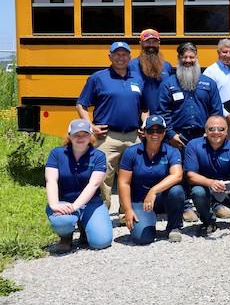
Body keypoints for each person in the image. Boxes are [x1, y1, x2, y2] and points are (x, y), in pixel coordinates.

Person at [76, 41, 143, 210]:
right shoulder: (98, 78)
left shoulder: (137, 78)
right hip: (107, 137)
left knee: (133, 176)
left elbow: (145, 107)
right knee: (102, 178)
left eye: (124, 54)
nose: (121, 58)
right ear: (110, 56)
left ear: (129, 57)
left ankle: (126, 213)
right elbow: (81, 104)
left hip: (133, 136)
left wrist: (145, 124)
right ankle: (101, 214)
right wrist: (90, 126)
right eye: (117, 54)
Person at [44, 119, 113, 253]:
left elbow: (94, 185)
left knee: (101, 242)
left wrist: (75, 207)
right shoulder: (56, 153)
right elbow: (51, 180)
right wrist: (54, 205)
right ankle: (66, 237)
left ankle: (84, 227)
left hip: (91, 203)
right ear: (69, 136)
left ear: (91, 136)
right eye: (76, 134)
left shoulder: (99, 156)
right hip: (64, 201)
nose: (80, 138)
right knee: (62, 222)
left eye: (85, 134)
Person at [118, 115, 186, 245]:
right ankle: (148, 222)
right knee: (142, 238)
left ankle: (174, 226)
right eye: (151, 130)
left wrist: (153, 191)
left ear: (164, 132)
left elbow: (177, 175)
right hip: (140, 201)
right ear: (144, 132)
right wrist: (127, 209)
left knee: (177, 190)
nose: (155, 134)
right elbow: (123, 183)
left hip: (162, 198)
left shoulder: (172, 151)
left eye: (159, 130)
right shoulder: (131, 152)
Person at [157, 42, 224, 150]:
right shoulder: (168, 84)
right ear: (179, 58)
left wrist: (211, 132)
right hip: (177, 138)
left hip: (204, 137)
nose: (188, 60)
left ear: (196, 57)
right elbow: (162, 111)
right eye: (185, 57)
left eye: (191, 57)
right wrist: (171, 135)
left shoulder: (209, 83)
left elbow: (216, 111)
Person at [128, 28, 173, 116]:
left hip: (164, 116)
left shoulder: (167, 66)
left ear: (159, 44)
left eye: (154, 42)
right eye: (147, 42)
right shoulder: (130, 66)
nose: (151, 45)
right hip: (139, 118)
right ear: (141, 44)